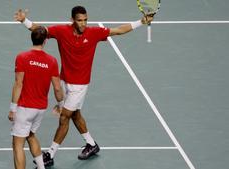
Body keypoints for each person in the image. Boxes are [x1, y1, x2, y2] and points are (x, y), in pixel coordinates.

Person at [14, 6, 153, 167]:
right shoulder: (61, 31)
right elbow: (39, 30)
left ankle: (50, 154)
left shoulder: (94, 33)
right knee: (75, 114)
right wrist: (24, 20)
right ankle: (91, 144)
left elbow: (119, 30)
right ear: (72, 20)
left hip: (80, 85)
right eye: (80, 20)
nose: (83, 24)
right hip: (64, 80)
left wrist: (141, 22)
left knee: (65, 116)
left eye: (86, 20)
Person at [8, 26, 63, 169]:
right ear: (45, 41)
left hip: (25, 108)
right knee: (31, 136)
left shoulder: (22, 57)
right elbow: (57, 87)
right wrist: (61, 105)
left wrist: (12, 109)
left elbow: (18, 84)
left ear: (31, 38)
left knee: (17, 145)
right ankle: (41, 166)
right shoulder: (52, 61)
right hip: (40, 109)